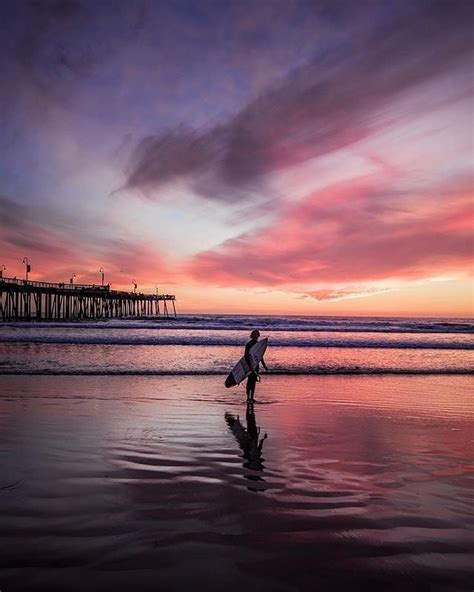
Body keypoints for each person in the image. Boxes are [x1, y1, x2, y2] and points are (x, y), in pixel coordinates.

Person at [244, 329, 268, 402]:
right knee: (249, 382)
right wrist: (250, 365)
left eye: (257, 334)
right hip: (249, 365)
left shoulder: (258, 344)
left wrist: (264, 365)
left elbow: (260, 356)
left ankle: (252, 397)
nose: (256, 336)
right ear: (252, 335)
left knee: (254, 382)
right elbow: (246, 356)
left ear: (258, 335)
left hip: (256, 366)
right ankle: (248, 397)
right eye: (254, 334)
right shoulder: (249, 344)